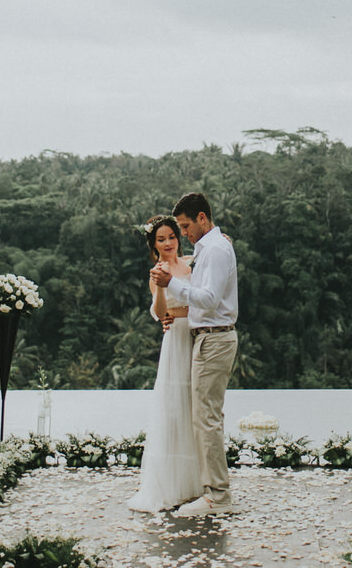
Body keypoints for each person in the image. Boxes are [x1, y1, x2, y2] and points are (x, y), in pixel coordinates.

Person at [152, 192, 238, 516]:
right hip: (206, 339)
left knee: (207, 420)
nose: (184, 234)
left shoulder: (215, 249)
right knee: (206, 418)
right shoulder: (210, 248)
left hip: (215, 339)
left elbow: (210, 298)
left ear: (202, 218)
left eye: (186, 226)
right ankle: (213, 491)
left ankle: (217, 496)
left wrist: (171, 284)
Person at [126, 215, 203, 512]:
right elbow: (160, 313)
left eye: (172, 236)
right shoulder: (156, 271)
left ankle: (197, 483)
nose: (169, 243)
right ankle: (170, 484)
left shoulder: (191, 262)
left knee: (194, 407)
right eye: (162, 239)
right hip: (175, 338)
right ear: (153, 244)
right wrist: (160, 287)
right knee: (173, 408)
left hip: (197, 334)